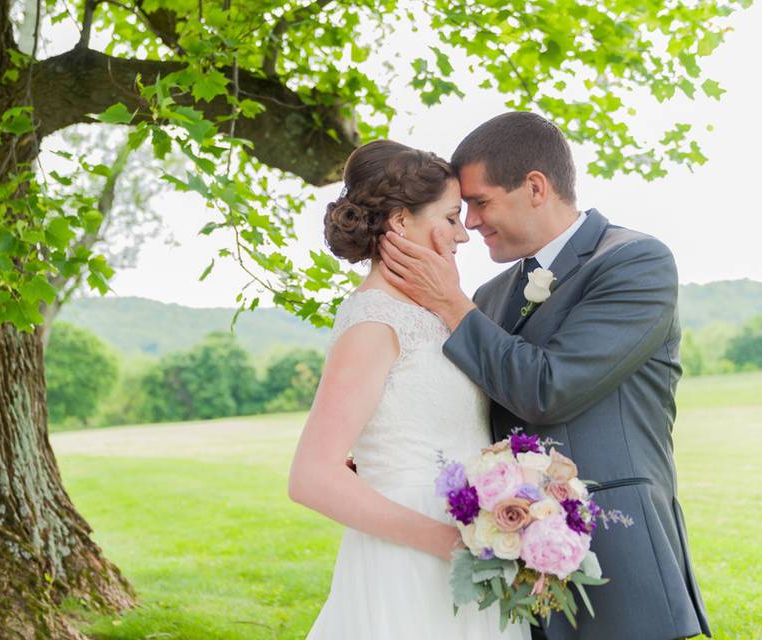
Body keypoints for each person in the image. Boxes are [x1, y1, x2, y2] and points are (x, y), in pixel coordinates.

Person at [378, 111, 710, 640]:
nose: (471, 225)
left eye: (481, 203)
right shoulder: (489, 296)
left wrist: (448, 301)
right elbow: (474, 401)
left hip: (616, 554)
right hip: (510, 558)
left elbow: (547, 388)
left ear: (535, 186)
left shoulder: (635, 262)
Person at [288, 139, 529, 640]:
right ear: (400, 221)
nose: (463, 234)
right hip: (411, 560)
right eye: (450, 217)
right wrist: (450, 543)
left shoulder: (439, 314)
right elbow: (311, 476)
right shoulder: (374, 320)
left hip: (468, 544)